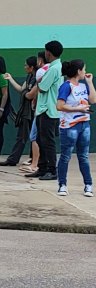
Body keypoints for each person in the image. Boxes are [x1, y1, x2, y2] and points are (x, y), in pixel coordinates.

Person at [55, 59, 95, 197]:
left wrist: (90, 82)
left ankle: (88, 185)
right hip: (69, 126)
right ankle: (62, 185)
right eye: (84, 69)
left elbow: (93, 100)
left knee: (83, 156)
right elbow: (59, 106)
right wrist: (77, 108)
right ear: (78, 71)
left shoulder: (83, 86)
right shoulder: (66, 86)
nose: (85, 72)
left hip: (84, 124)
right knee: (66, 156)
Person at [30, 40, 65, 180]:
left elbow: (43, 87)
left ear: (48, 53)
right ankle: (42, 168)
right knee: (40, 139)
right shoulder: (56, 67)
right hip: (45, 109)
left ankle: (52, 170)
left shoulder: (54, 69)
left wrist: (39, 79)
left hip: (48, 110)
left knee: (48, 141)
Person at [0, 55, 41, 168]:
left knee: (33, 136)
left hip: (33, 110)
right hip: (25, 111)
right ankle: (14, 158)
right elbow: (22, 90)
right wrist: (11, 79)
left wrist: (27, 95)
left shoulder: (38, 78)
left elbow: (30, 94)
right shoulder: (28, 77)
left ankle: (33, 158)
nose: (24, 67)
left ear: (31, 67)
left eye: (26, 65)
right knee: (23, 136)